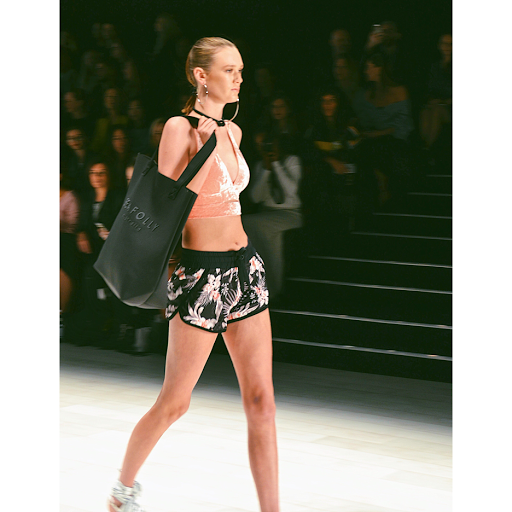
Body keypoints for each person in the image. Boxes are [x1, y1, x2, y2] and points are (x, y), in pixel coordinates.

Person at [107, 37, 279, 512]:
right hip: (201, 275)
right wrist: (202, 151)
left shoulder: (233, 131)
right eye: (229, 70)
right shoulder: (178, 129)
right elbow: (165, 207)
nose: (239, 78)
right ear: (201, 75)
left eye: (240, 69)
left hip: (245, 269)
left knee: (262, 402)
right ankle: (122, 492)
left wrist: (215, 141)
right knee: (175, 402)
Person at [243, 134, 302, 300]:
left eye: (267, 144)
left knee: (250, 223)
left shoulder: (292, 161)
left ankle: (273, 289)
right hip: (266, 215)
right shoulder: (260, 165)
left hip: (290, 213)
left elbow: (292, 192)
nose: (264, 149)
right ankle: (264, 288)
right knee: (263, 235)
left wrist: (276, 164)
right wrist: (266, 169)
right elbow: (256, 198)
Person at [352, 51, 413, 209]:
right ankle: (377, 190)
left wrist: (377, 133)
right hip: (374, 140)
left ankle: (386, 189)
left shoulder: (399, 91)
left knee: (383, 147)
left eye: (369, 67)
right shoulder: (366, 94)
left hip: (396, 139)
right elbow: (363, 121)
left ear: (378, 68)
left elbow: (403, 125)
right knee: (364, 147)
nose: (366, 71)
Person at [419, 33, 452, 151]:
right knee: (426, 111)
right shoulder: (435, 66)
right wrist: (432, 100)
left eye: (450, 44)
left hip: (449, 107)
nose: (447, 47)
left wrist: (444, 101)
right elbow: (431, 88)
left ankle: (427, 148)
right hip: (436, 103)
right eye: (444, 43)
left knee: (436, 110)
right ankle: (424, 147)